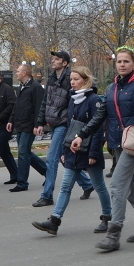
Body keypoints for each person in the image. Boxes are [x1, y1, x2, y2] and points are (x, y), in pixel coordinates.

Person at [70, 47, 134, 252]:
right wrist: (81, 135)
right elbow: (100, 116)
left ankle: (113, 234)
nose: (122, 65)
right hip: (118, 141)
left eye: (126, 61)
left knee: (117, 186)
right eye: (119, 61)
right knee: (133, 187)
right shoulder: (112, 88)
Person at [32, 66, 112, 235]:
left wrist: (93, 153)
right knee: (65, 186)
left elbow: (98, 128)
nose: (72, 82)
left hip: (89, 150)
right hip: (73, 149)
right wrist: (64, 149)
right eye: (71, 79)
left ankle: (107, 216)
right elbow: (69, 126)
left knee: (99, 186)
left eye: (76, 79)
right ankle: (54, 221)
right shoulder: (73, 98)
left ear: (85, 80)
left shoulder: (93, 100)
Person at [32, 51, 93, 206]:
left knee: (51, 158)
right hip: (53, 123)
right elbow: (45, 102)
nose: (53, 61)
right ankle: (87, 184)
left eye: (57, 59)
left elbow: (81, 98)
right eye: (53, 58)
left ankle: (47, 195)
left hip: (64, 124)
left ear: (64, 63)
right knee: (63, 158)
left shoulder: (70, 79)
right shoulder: (52, 78)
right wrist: (39, 122)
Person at [8, 64, 47, 193]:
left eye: (18, 71)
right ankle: (48, 172)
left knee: (23, 153)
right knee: (25, 153)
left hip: (29, 126)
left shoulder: (35, 87)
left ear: (24, 73)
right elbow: (17, 106)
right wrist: (11, 120)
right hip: (20, 124)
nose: (16, 73)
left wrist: (38, 124)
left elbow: (39, 108)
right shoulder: (21, 87)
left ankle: (22, 182)